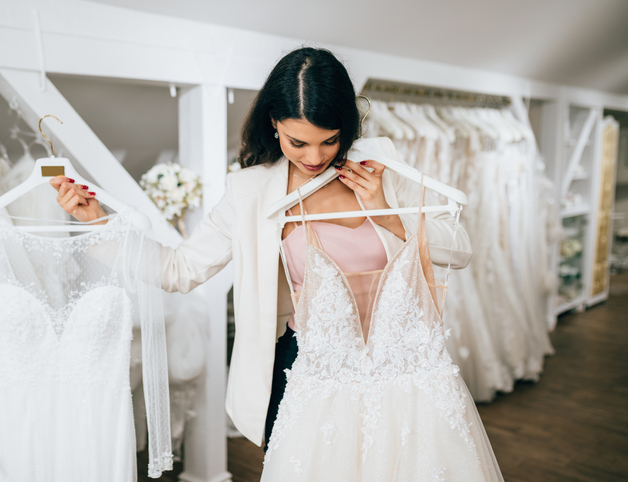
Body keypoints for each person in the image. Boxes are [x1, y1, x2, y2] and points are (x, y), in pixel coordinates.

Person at [50, 47, 499, 479]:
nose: (314, 157)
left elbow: (458, 250)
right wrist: (99, 225)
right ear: (274, 124)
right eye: (297, 141)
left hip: (402, 376)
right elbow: (178, 270)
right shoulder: (249, 192)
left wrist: (387, 213)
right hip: (308, 369)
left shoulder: (381, 169)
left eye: (330, 140)